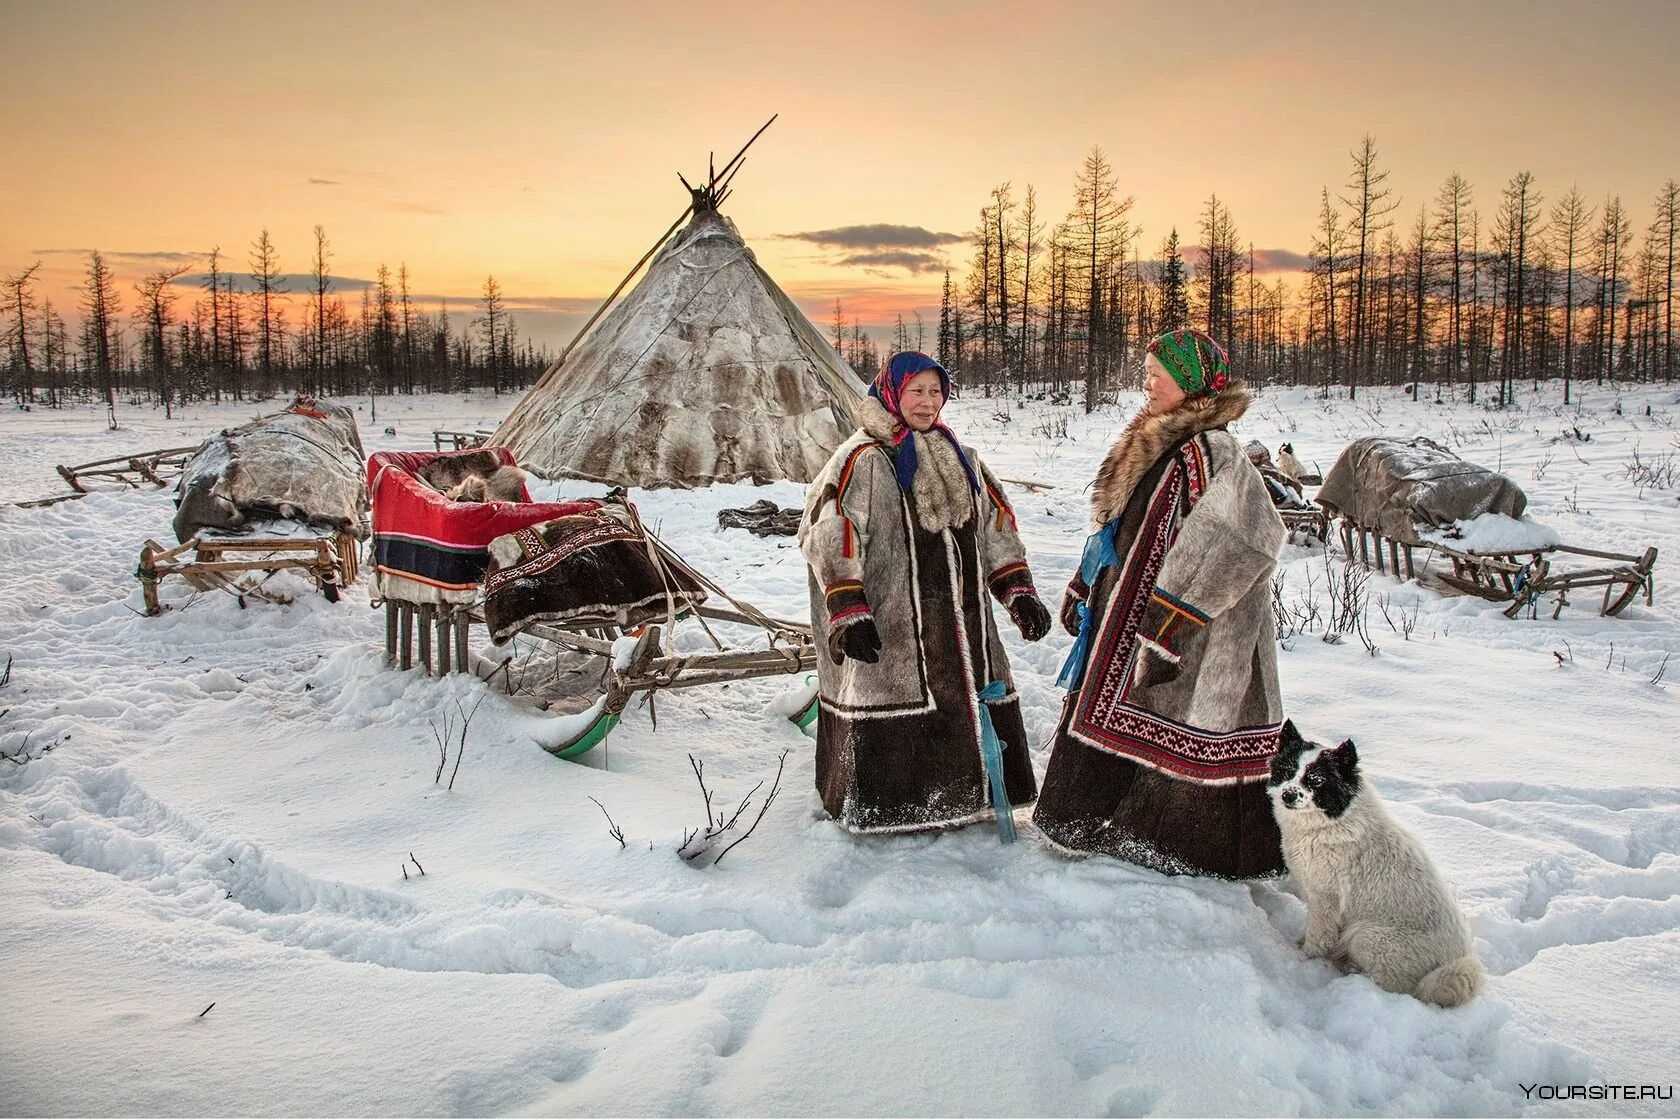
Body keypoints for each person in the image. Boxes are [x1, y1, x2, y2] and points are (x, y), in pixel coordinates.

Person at [1033, 329, 1287, 878]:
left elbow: (1247, 538)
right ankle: (1105, 825)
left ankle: (1182, 844)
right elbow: (1117, 525)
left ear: (1191, 384)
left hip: (1192, 628)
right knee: (1126, 708)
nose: (1146, 384)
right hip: (1127, 604)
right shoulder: (1158, 439)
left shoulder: (1213, 451)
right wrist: (1085, 581)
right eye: (1146, 373)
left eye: (1157, 376)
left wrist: (1172, 620)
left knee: (1182, 713)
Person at [798, 351, 1052, 834]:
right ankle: (893, 809)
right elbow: (829, 529)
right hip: (892, 621)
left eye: (936, 391)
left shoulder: (962, 457)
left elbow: (996, 525)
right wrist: (848, 607)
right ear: (893, 392)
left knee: (967, 688)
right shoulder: (861, 459)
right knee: (900, 691)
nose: (928, 402)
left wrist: (1017, 591)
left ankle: (960, 800)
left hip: (965, 616)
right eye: (917, 390)